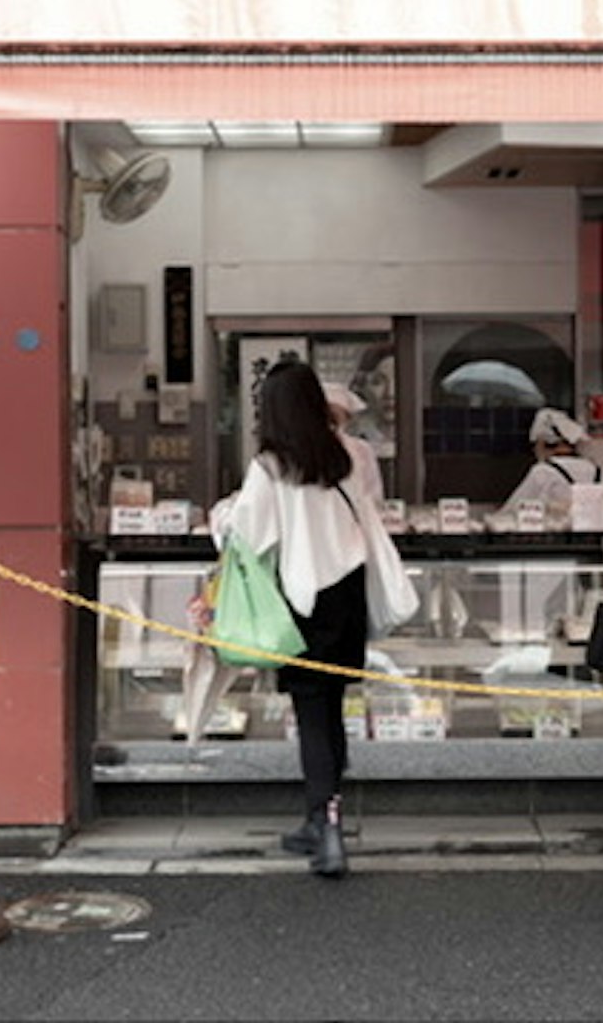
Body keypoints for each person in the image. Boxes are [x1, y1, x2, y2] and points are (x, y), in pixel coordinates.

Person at [228, 361, 372, 879]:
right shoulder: (348, 456)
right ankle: (329, 813)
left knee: (311, 713)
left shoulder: (270, 467)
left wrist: (220, 518)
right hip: (349, 595)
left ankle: (325, 827)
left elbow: (247, 535)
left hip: (304, 598)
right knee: (331, 706)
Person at [500, 408, 602, 517]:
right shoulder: (598, 471)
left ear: (543, 443)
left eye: (535, 445)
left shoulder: (543, 471)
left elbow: (511, 511)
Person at [323, 381, 386, 508]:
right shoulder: (308, 450)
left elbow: (374, 492)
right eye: (327, 415)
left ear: (347, 418)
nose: (331, 423)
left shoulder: (362, 449)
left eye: (335, 417)